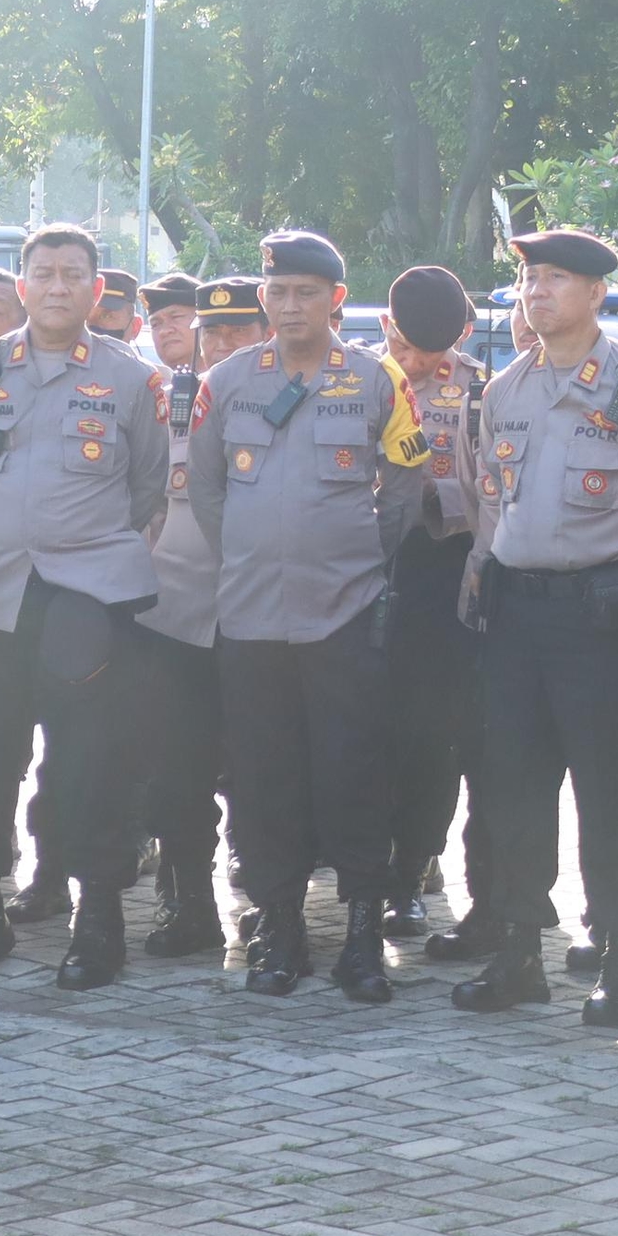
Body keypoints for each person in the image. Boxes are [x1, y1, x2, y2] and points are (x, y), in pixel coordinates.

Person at [451, 225, 618, 1024]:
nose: (537, 292)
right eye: (530, 277)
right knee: (514, 789)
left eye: (557, 278)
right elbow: (492, 504)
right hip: (518, 617)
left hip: (606, 623)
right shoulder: (505, 392)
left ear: (598, 293)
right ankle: (520, 950)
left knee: (617, 796)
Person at [0, 226, 169, 986]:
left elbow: (148, 490)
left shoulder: (132, 379)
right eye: (44, 273)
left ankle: (98, 922)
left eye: (73, 274)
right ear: (21, 285)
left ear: (97, 291)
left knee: (93, 767)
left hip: (88, 600)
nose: (58, 286)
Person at [191, 229, 430, 1002]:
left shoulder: (375, 379)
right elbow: (206, 490)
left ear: (335, 298)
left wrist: (354, 552)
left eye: (306, 293)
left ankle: (362, 929)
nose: (290, 305)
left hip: (344, 612)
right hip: (251, 617)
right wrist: (256, 552)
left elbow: (404, 481)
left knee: (352, 770)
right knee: (264, 776)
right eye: (278, 293)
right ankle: (280, 925)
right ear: (264, 300)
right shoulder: (226, 382)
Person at [122, 280, 261, 953]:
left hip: (261, 618)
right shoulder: (167, 403)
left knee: (265, 773)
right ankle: (188, 901)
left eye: (241, 330)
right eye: (215, 332)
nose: (224, 345)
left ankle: (272, 899)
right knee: (177, 774)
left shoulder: (292, 405)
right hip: (176, 618)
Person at [380, 268, 491, 950]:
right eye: (403, 341)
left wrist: (433, 500)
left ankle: (411, 868)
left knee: (433, 734)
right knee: (373, 732)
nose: (415, 360)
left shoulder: (481, 389)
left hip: (445, 572)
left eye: (430, 348)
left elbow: (492, 489)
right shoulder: (357, 380)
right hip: (365, 570)